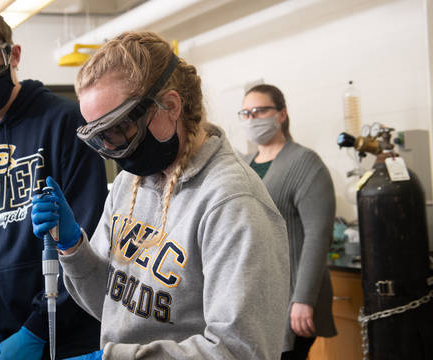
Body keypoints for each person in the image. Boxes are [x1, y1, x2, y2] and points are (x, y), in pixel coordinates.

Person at [31, 31, 290, 359]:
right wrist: (73, 248)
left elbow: (242, 350)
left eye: (120, 129)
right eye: (99, 137)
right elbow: (110, 306)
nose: (111, 149)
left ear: (169, 106)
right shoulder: (131, 183)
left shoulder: (232, 202)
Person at [0, 9, 108, 360]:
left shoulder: (64, 121)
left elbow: (88, 231)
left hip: (69, 331)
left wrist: (37, 329)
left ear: (13, 55)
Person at [238, 84, 337, 359]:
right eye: (245, 113)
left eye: (259, 111)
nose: (251, 119)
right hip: (257, 296)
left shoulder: (305, 163)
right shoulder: (243, 164)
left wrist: (303, 300)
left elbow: (318, 235)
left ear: (281, 115)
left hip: (292, 296)